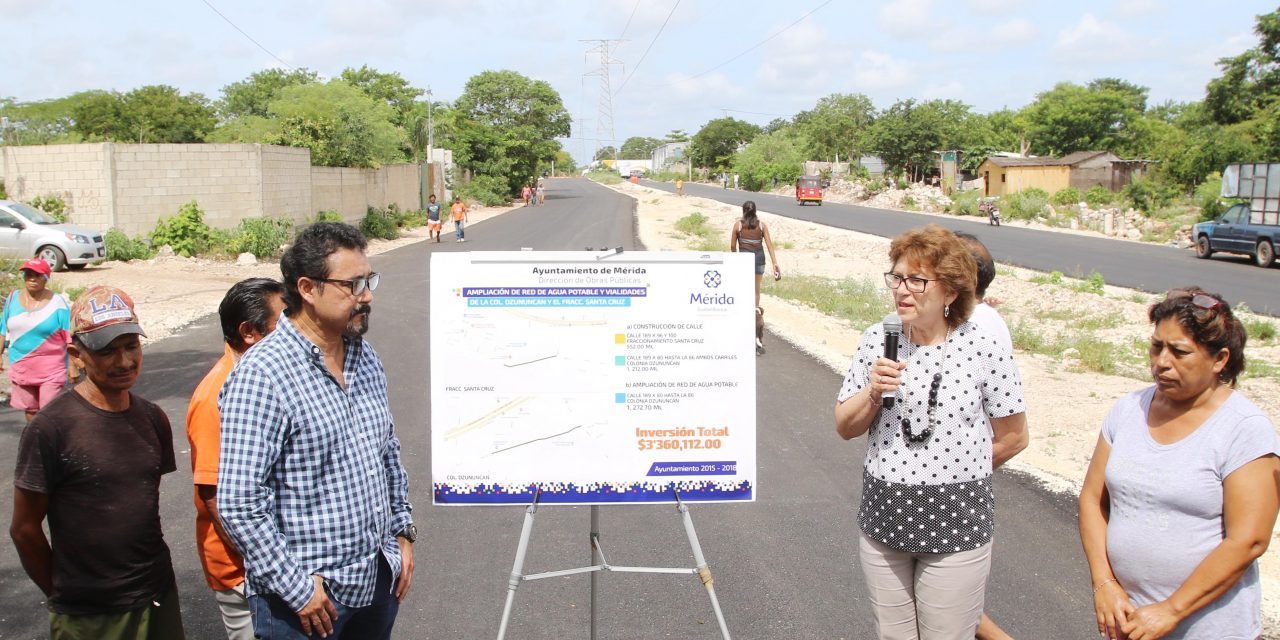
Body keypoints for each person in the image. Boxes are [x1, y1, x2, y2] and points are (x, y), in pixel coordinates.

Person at [218, 222, 415, 640]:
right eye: (354, 284)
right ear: (307, 288)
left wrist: (402, 532)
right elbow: (239, 502)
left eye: (369, 280)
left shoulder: (364, 356)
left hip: (376, 581)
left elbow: (387, 452)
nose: (367, 296)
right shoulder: (262, 374)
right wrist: (298, 588)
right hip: (308, 605)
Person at [835, 225, 1029, 639]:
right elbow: (844, 426)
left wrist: (952, 476)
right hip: (884, 518)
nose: (902, 289)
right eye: (897, 277)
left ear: (950, 292)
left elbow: (1014, 435)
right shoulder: (877, 339)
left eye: (917, 280)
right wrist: (872, 393)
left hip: (956, 521)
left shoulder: (983, 346)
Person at [1079, 287, 1278, 640]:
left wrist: (1173, 610)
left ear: (1219, 360)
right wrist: (1104, 583)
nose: (1161, 361)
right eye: (1157, 346)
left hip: (1209, 629)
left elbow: (1249, 540)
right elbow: (1093, 501)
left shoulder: (1244, 430)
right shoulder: (1128, 410)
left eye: (1179, 351)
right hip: (1128, 621)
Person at [11, 285, 185, 639]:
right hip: (88, 614)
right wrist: (66, 593)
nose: (124, 362)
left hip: (156, 595)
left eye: (131, 346)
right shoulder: (51, 428)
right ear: (77, 355)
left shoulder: (152, 418)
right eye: (107, 351)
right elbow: (24, 528)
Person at [186, 278, 286, 640]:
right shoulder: (215, 396)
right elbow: (215, 498)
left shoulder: (265, 379)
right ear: (249, 332)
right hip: (243, 573)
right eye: (284, 323)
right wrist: (274, 570)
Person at [954, 233, 1014, 640]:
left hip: (952, 486)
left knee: (953, 602)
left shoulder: (979, 326)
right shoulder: (982, 318)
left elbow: (1014, 436)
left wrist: (950, 476)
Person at [0, 258, 74, 422]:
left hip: (51, 368)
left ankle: (53, 445)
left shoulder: (58, 304)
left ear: (46, 278)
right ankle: (36, 445)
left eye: (37, 275)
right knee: (31, 411)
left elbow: (69, 337)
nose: (32, 278)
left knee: (49, 412)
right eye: (28, 274)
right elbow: (3, 329)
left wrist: (73, 365)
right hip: (21, 365)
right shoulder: (12, 299)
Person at [729, 201, 780, 356]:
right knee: (756, 291)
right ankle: (755, 320)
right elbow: (770, 245)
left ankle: (743, 322)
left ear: (743, 211)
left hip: (744, 261)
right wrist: (775, 263)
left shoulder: (738, 225)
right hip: (759, 260)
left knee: (743, 291)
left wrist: (735, 258)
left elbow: (732, 246)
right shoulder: (762, 225)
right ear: (756, 211)